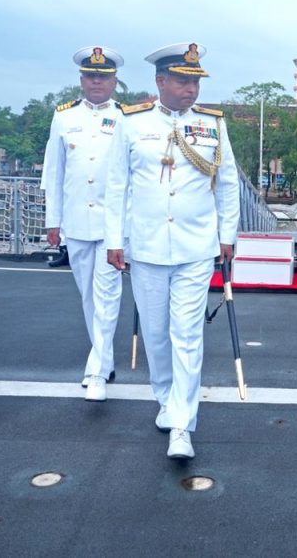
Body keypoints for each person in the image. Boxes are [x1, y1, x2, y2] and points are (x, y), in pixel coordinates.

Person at [104, 42, 239, 459]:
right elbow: (116, 185)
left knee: (187, 333)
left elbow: (229, 182)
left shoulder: (213, 125)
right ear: (160, 81)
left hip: (196, 246)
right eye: (182, 80)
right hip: (145, 246)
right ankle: (165, 399)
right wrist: (114, 240)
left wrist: (228, 235)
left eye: (195, 82)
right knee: (157, 334)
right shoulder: (131, 123)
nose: (191, 90)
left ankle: (183, 422)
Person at [41, 46, 126, 400]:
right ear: (81, 79)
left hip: (112, 224)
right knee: (88, 297)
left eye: (103, 76)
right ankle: (104, 360)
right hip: (76, 220)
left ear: (114, 81)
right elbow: (54, 172)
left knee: (107, 294)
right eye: (91, 76)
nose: (96, 82)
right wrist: (52, 221)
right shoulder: (64, 118)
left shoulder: (127, 118)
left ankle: (96, 372)